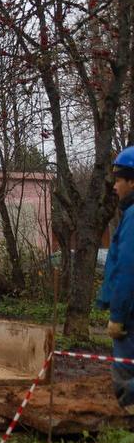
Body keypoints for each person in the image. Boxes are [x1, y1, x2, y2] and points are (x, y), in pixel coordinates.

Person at [98, 145, 134, 415]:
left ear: (132, 181)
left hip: (130, 315)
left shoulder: (133, 217)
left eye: (119, 180)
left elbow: (127, 268)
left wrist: (118, 315)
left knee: (126, 379)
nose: (115, 187)